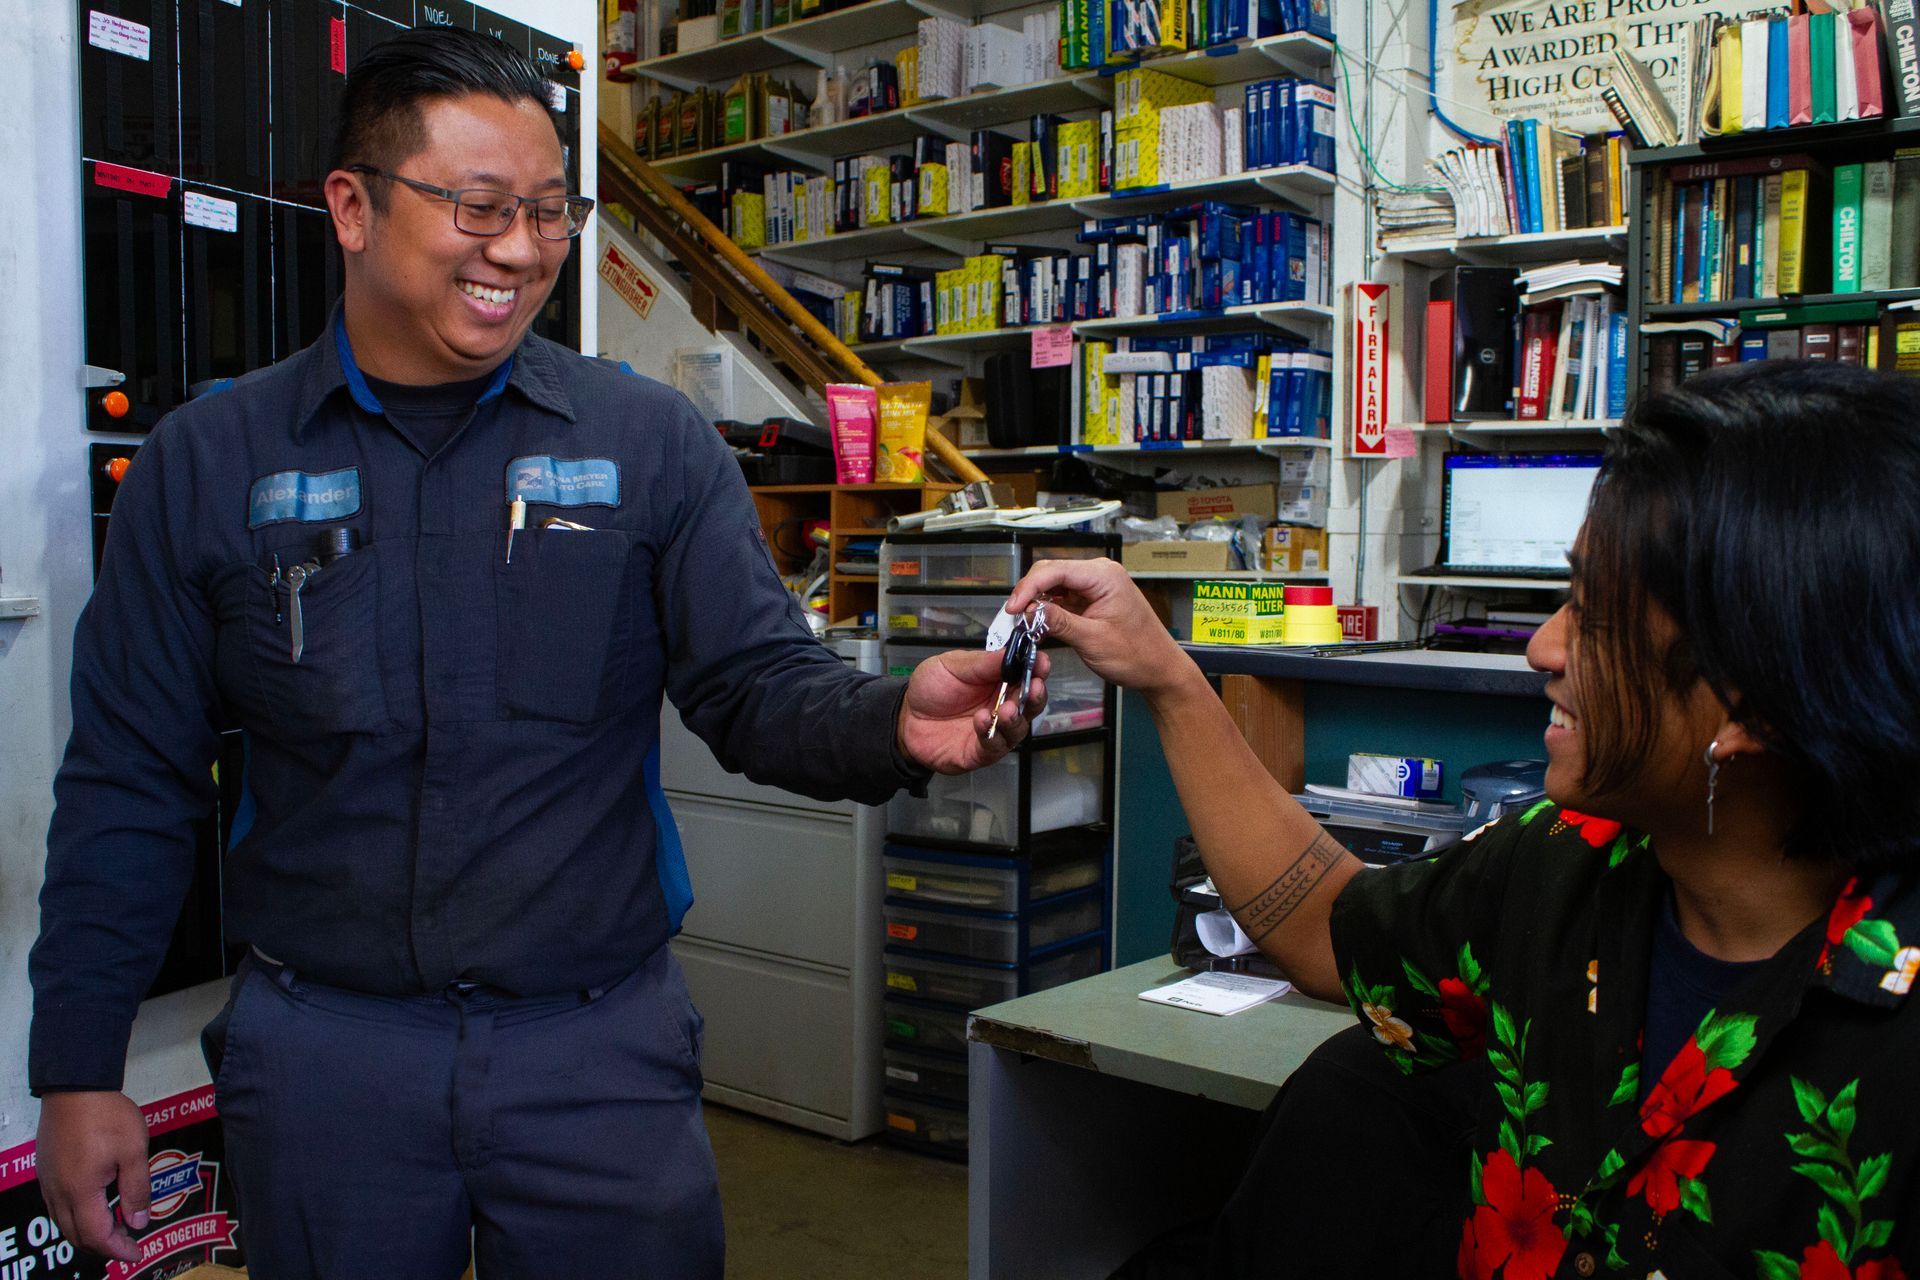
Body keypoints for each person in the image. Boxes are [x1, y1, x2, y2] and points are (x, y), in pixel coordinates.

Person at [29, 26, 1043, 1279]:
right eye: (478, 206)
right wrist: (79, 1064)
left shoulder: (648, 443)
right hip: (328, 1059)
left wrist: (892, 719)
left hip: (596, 1055)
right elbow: (130, 776)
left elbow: (753, 683)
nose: (519, 249)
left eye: (551, 212)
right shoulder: (210, 462)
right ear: (352, 207)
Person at [1010, 359, 1920, 1278]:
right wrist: (1167, 673)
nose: (1543, 647)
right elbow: (1329, 929)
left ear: (1750, 702)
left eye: (1596, 619)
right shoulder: (1564, 860)